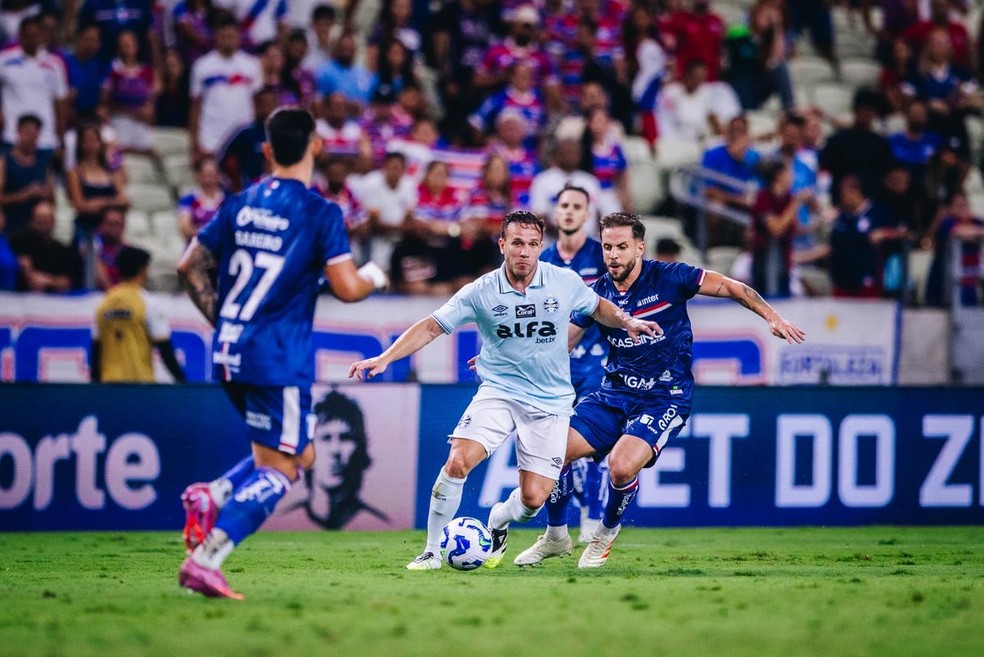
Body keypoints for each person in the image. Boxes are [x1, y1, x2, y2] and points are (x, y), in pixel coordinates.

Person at [348, 210, 661, 571]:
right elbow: (433, 326)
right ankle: (432, 551)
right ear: (502, 245)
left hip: (551, 402)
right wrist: (386, 358)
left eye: (531, 244)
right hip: (499, 391)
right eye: (516, 243)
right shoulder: (480, 291)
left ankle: (497, 520)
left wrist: (626, 320)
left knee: (532, 501)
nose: (524, 252)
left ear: (540, 247)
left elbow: (598, 307)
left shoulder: (563, 281)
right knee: (458, 460)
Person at [175, 106, 389, 599]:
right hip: (275, 357)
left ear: (267, 150)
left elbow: (188, 266)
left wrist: (228, 322)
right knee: (284, 467)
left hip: (228, 350)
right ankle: (207, 559)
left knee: (303, 451)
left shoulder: (240, 203)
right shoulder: (320, 212)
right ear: (316, 145)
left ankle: (214, 493)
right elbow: (346, 287)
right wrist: (375, 276)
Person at [513, 212, 805, 569]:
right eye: (607, 248)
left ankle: (605, 533)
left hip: (665, 397)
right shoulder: (598, 294)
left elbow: (731, 286)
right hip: (614, 394)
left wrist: (771, 315)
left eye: (622, 247)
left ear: (640, 247)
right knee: (551, 450)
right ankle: (556, 536)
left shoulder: (670, 277)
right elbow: (559, 345)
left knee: (620, 467)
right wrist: (507, 360)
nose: (614, 256)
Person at [540, 185, 608, 541]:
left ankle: (592, 520)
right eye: (563, 205)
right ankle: (559, 527)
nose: (568, 211)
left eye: (576, 206)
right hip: (553, 368)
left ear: (587, 214)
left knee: (592, 444)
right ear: (556, 212)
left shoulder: (602, 256)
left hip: (596, 362)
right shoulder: (542, 260)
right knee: (556, 447)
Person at [287, 388, 390, 529]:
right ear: (308, 446)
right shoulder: (287, 517)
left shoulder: (379, 524)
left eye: (345, 437)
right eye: (326, 438)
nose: (335, 450)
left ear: (361, 447)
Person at [90, 246, 185, 383]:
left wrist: (95, 384)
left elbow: (96, 350)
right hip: (140, 384)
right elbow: (165, 349)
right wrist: (182, 381)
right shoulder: (149, 304)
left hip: (109, 384)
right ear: (143, 270)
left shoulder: (102, 304)